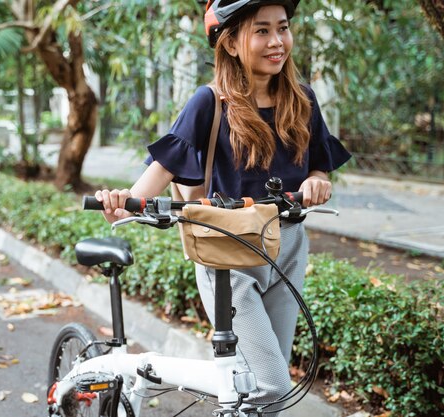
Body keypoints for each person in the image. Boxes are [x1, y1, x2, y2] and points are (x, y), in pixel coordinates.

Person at [96, 0, 351, 414]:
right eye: (262, 31)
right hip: (227, 255)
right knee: (271, 383)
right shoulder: (210, 102)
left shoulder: (303, 100)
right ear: (231, 43)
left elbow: (320, 170)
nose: (277, 41)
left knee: (266, 395)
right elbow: (156, 175)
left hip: (288, 248)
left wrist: (317, 183)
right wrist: (122, 203)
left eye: (282, 28)